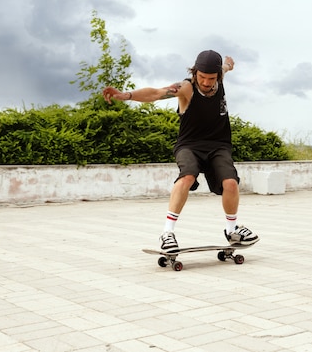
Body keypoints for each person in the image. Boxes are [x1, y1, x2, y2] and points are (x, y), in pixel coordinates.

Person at [102, 50, 259, 252]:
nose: (205, 82)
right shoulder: (186, 88)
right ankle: (167, 233)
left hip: (219, 146)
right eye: (201, 77)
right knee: (187, 177)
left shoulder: (218, 75)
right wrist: (127, 95)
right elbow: (156, 93)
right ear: (195, 72)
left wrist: (229, 64)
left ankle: (232, 231)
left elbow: (225, 68)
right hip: (189, 146)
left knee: (230, 183)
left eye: (211, 78)